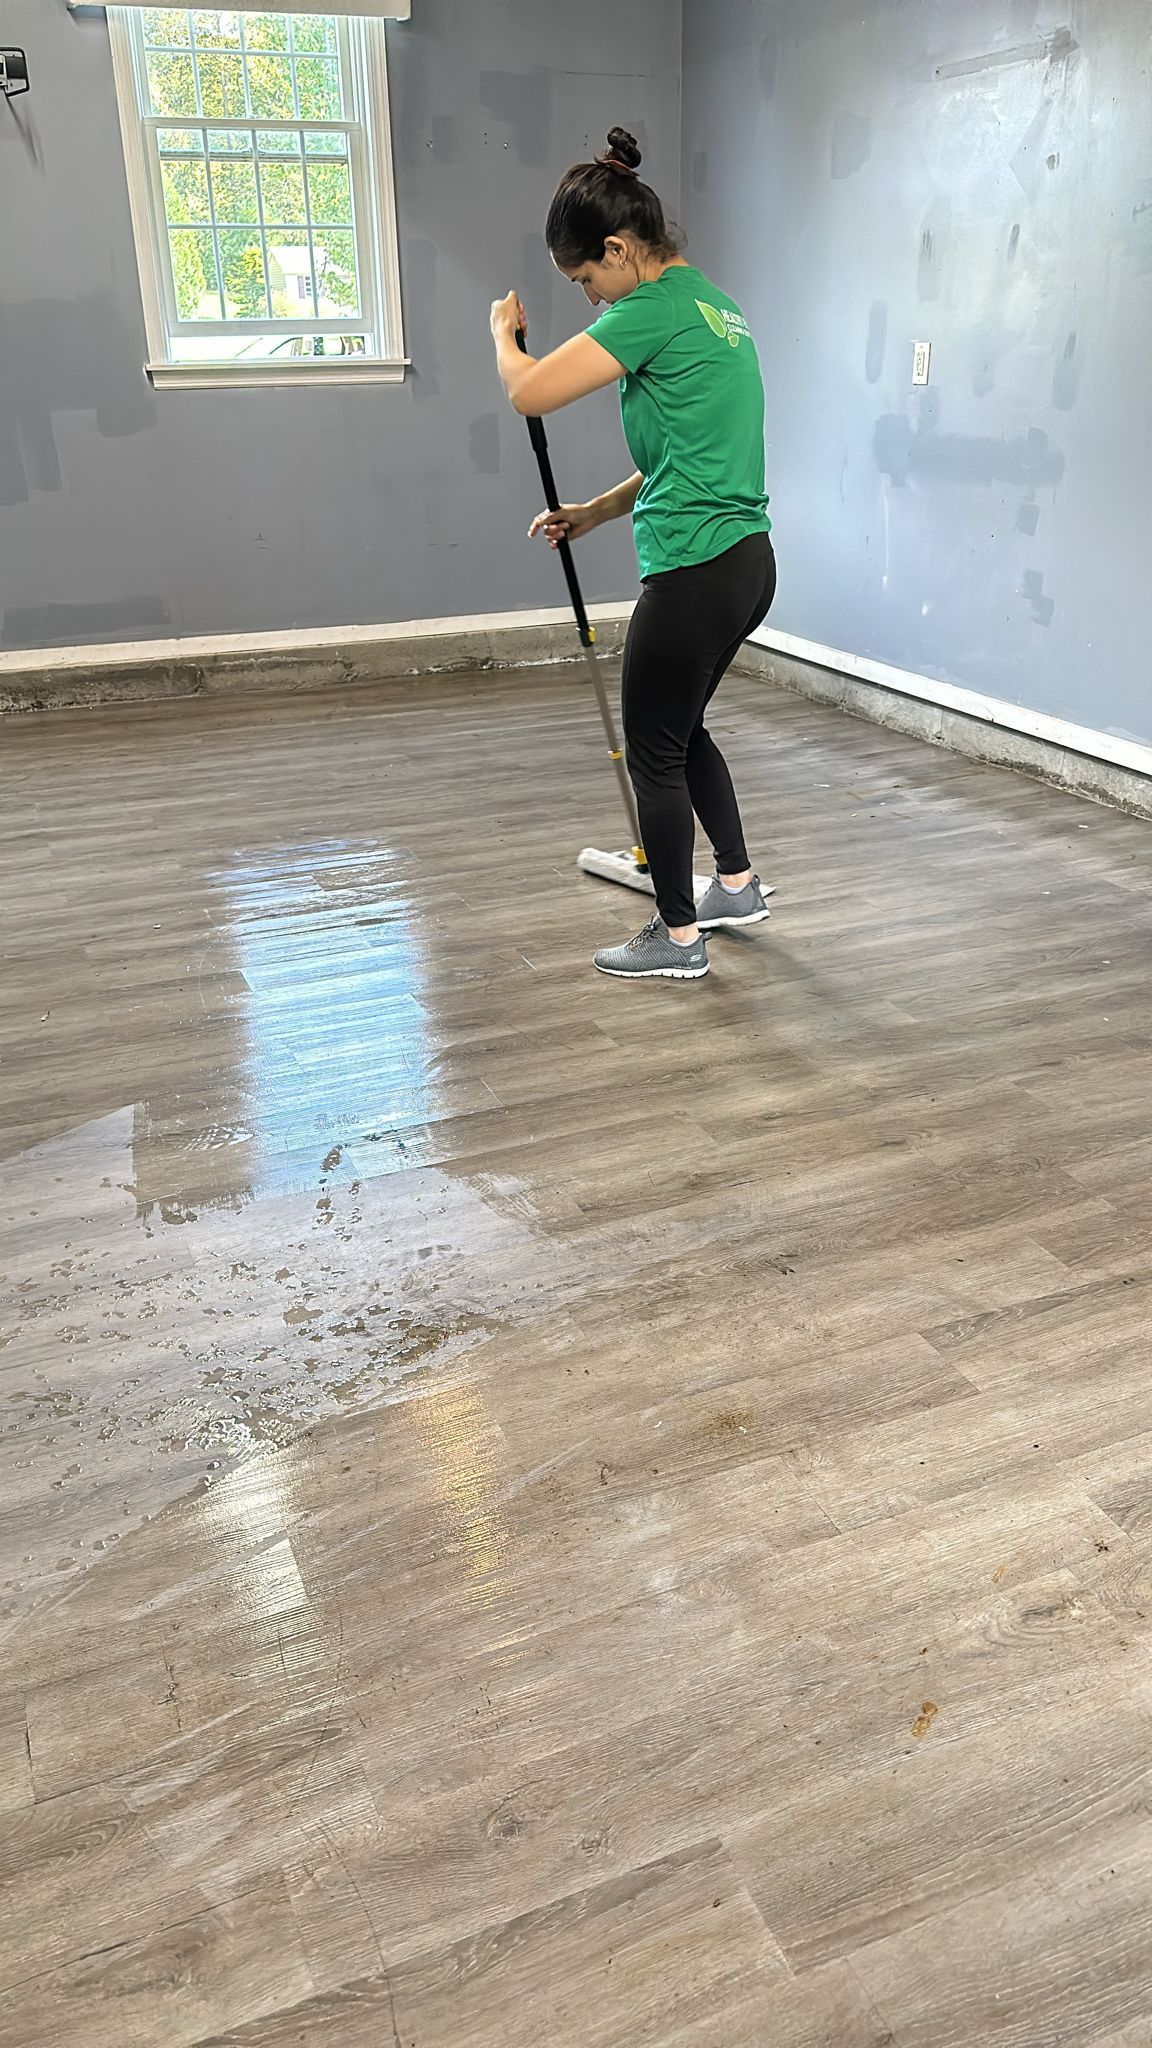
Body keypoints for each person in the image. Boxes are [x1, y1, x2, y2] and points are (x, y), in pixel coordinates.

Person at [489, 126, 776, 981]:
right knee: (681, 731)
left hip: (693, 569)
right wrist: (594, 512)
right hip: (745, 561)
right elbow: (676, 459)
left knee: (653, 747)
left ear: (619, 249)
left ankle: (677, 940)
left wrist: (503, 334)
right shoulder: (715, 306)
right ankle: (736, 884)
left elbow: (529, 391)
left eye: (585, 279)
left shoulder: (646, 308)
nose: (587, 298)